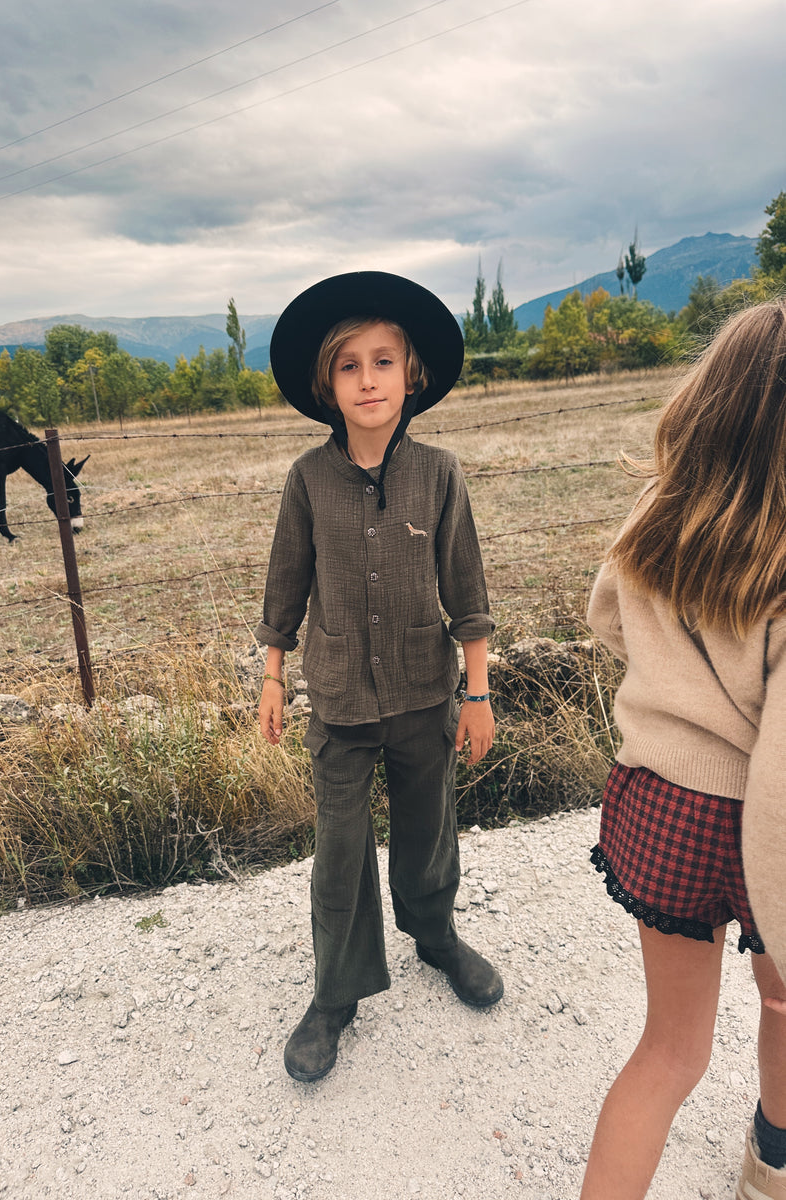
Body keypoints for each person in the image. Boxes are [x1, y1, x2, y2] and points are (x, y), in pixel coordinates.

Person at [256, 270, 503, 1083]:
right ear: (328, 385)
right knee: (339, 853)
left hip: (426, 696)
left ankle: (435, 937)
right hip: (339, 702)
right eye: (350, 365)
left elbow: (466, 592)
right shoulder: (307, 479)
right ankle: (336, 994)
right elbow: (285, 583)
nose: (369, 379)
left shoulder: (439, 474)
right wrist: (271, 677)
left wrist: (477, 694)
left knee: (429, 829)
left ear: (413, 375)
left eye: (384, 361)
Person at [582, 297, 786, 1200]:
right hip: (764, 823)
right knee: (781, 1005)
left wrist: (678, 682)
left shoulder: (657, 515)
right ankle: (770, 1166)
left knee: (668, 1053)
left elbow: (603, 617)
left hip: (658, 801)